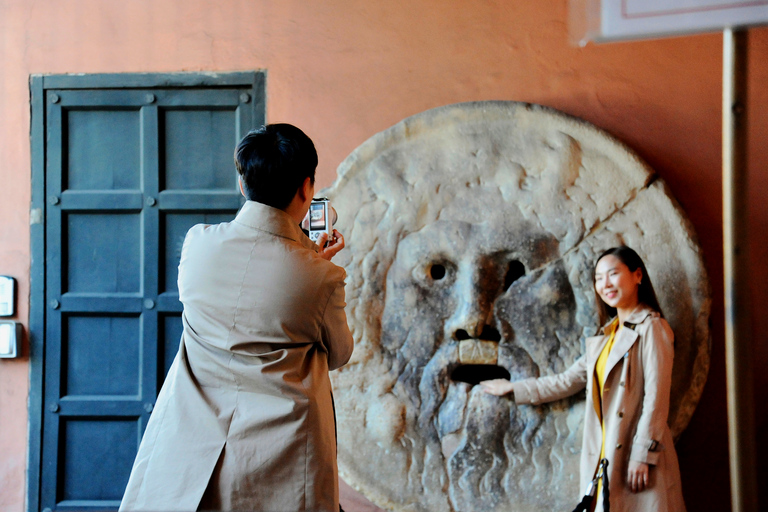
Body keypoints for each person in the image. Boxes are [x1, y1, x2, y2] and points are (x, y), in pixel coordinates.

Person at [119, 124, 354, 512]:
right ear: (306, 188)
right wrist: (314, 264)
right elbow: (340, 353)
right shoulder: (321, 277)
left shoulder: (197, 243)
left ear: (243, 184)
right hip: (280, 457)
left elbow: (247, 291)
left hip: (191, 443)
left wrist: (310, 262)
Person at [481, 246, 686, 512]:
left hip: (635, 459)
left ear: (637, 276)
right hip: (605, 457)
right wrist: (514, 388)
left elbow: (656, 398)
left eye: (613, 274)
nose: (605, 284)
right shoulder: (606, 337)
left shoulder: (653, 327)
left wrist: (643, 454)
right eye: (599, 278)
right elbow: (567, 381)